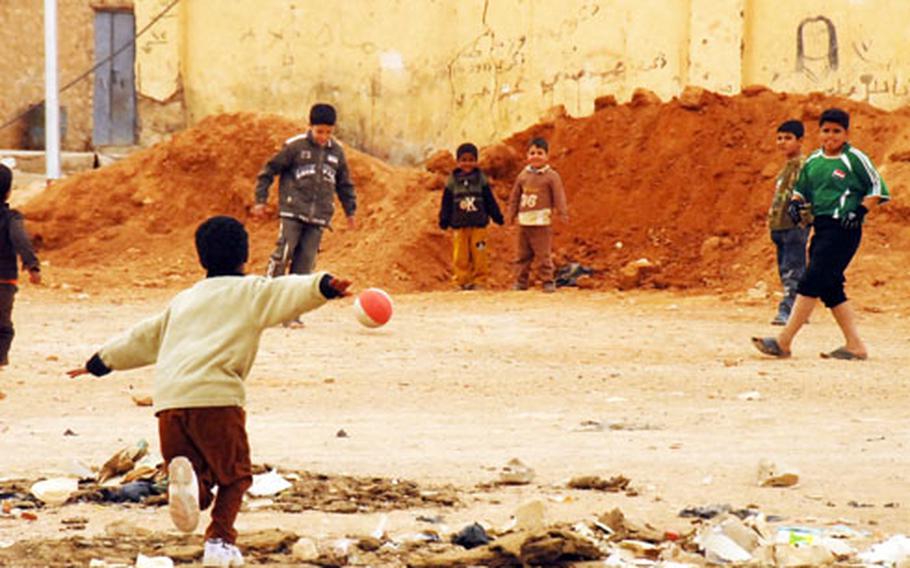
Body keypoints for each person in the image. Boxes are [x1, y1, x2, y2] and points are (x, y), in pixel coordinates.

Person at [67, 216, 352, 567]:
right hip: (217, 399)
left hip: (169, 403)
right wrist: (324, 285)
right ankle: (219, 541)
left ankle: (191, 487)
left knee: (197, 478)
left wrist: (99, 362)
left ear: (202, 258)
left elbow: (142, 338)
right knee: (236, 476)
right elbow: (289, 291)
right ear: (244, 256)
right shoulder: (252, 292)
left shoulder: (183, 301)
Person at [752, 108, 890, 360]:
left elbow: (877, 188)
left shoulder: (855, 158)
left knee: (811, 280)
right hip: (822, 227)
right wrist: (795, 202)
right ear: (819, 132)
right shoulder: (814, 160)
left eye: (837, 131)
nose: (831, 136)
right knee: (831, 287)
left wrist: (859, 211)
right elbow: (801, 188)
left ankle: (783, 341)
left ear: (846, 134)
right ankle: (855, 345)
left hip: (844, 229)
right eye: (826, 130)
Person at [438, 143, 504, 290]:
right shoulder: (452, 180)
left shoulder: (481, 179)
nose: (467, 163)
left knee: (479, 253)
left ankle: (480, 280)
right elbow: (446, 201)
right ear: (457, 161)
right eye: (464, 159)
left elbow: (489, 199)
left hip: (478, 225)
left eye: (471, 159)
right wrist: (444, 218)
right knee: (460, 255)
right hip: (459, 226)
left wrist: (496, 215)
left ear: (476, 161)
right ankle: (461, 281)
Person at [507, 137, 568, 293]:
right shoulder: (523, 176)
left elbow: (558, 195)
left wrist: (562, 212)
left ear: (546, 156)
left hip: (541, 223)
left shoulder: (551, 176)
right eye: (532, 153)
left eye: (540, 153)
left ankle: (547, 281)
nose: (535, 156)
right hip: (524, 222)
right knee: (522, 255)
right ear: (527, 156)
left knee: (543, 254)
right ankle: (521, 282)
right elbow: (515, 197)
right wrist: (511, 214)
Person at [767, 120, 810, 325]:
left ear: (800, 141)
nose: (782, 142)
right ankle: (799, 312)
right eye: (779, 138)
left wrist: (801, 222)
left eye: (787, 138)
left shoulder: (804, 166)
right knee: (786, 271)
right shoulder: (786, 168)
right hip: (781, 227)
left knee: (793, 271)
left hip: (793, 227)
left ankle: (789, 311)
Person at [0, 164, 41, 368]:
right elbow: (20, 239)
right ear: (8, 192)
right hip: (4, 280)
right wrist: (32, 265)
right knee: (3, 328)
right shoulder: (11, 218)